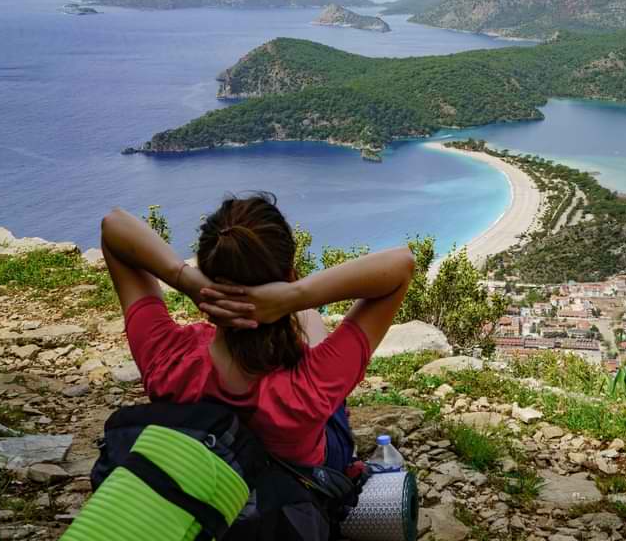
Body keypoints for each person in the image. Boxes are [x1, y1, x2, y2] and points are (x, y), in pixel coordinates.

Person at [99, 192, 414, 470]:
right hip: (291, 500)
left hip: (202, 495)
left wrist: (186, 280)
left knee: (307, 323)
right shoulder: (309, 385)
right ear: (288, 276)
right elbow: (401, 265)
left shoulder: (167, 358)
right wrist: (295, 297)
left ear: (208, 276)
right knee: (309, 321)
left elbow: (114, 226)